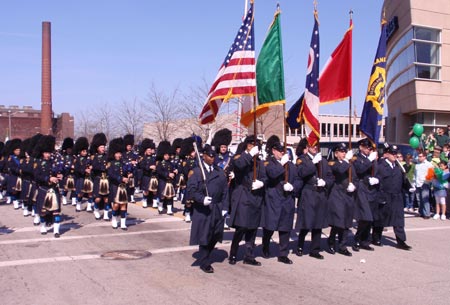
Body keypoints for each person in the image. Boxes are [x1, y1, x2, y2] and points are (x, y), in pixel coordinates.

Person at [188, 144, 228, 273]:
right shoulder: (197, 171)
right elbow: (191, 191)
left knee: (215, 234)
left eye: (213, 156)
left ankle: (207, 253)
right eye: (210, 156)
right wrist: (201, 199)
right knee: (205, 235)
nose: (212, 158)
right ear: (203, 156)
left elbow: (225, 191)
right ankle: (205, 261)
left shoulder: (219, 171)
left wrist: (225, 207)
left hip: (217, 206)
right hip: (203, 208)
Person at [228, 135, 266, 266]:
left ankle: (249, 255)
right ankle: (233, 252)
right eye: (251, 145)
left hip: (256, 197)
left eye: (255, 145)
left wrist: (261, 183)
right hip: (243, 195)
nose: (253, 147)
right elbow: (238, 165)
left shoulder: (259, 162)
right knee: (242, 226)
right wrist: (249, 155)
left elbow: (265, 177)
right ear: (247, 145)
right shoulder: (240, 157)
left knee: (253, 228)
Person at [261, 135, 299, 264]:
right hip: (273, 199)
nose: (282, 153)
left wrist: (293, 187)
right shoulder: (268, 163)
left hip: (287, 200)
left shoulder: (291, 166)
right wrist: (281, 166)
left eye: (283, 151)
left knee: (285, 228)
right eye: (279, 151)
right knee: (270, 227)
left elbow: (299, 180)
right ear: (273, 151)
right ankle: (265, 245)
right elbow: (272, 174)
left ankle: (283, 253)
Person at [294, 139, 334, 259]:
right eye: (312, 145)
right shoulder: (302, 159)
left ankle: (314, 249)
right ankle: (300, 245)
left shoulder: (323, 161)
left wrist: (325, 182)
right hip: (308, 193)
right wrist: (312, 164)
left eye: (316, 145)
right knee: (307, 222)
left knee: (318, 223)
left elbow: (330, 176)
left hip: (320, 194)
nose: (315, 147)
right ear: (307, 146)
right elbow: (301, 173)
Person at [374, 143, 412, 250]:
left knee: (399, 220)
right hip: (385, 196)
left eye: (396, 153)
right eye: (393, 153)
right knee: (381, 218)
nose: (395, 155)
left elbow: (402, 180)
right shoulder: (380, 166)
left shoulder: (398, 167)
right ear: (386, 154)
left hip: (397, 196)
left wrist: (408, 188)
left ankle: (401, 241)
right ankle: (376, 237)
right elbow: (377, 181)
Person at [327, 143, 356, 257]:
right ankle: (331, 241)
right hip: (337, 195)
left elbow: (355, 177)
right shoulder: (333, 163)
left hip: (348, 195)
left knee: (347, 222)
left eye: (345, 151)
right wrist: (347, 161)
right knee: (338, 221)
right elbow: (339, 171)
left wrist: (354, 185)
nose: (344, 153)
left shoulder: (349, 164)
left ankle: (342, 245)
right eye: (341, 151)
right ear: (336, 153)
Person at [352, 138, 378, 252]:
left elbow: (379, 171)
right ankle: (357, 238)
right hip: (361, 188)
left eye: (370, 148)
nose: (369, 150)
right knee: (365, 217)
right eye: (367, 148)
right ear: (361, 147)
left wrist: (377, 179)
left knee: (370, 217)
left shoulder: (373, 159)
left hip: (371, 189)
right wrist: (369, 160)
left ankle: (365, 240)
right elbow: (359, 169)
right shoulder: (356, 158)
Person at [34, 135, 63, 237]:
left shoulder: (54, 162)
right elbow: (36, 176)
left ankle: (56, 231)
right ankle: (43, 226)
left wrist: (60, 175)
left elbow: (60, 171)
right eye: (46, 152)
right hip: (43, 189)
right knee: (43, 211)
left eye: (49, 152)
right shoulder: (38, 163)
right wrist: (48, 179)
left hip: (54, 189)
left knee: (56, 211)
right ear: (42, 153)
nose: (48, 154)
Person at [108, 138, 130, 230]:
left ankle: (123, 223)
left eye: (120, 153)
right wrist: (121, 178)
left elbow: (128, 170)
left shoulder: (124, 162)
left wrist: (130, 173)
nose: (119, 155)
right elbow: (111, 174)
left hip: (124, 187)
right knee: (116, 204)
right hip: (115, 186)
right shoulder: (111, 164)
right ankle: (114, 219)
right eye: (117, 153)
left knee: (123, 204)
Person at [90, 133, 110, 220]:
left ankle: (106, 214)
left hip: (106, 179)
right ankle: (96, 209)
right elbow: (94, 166)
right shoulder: (94, 157)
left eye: (104, 147)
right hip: (98, 179)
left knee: (106, 199)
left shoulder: (108, 156)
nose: (103, 148)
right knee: (98, 198)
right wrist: (104, 167)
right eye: (101, 147)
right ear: (97, 148)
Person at [156, 141, 177, 215]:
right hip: (162, 181)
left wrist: (175, 171)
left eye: (168, 155)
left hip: (170, 182)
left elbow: (173, 169)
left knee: (169, 196)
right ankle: (160, 206)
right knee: (162, 196)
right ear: (163, 155)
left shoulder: (171, 163)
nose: (167, 156)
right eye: (165, 155)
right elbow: (159, 171)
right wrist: (168, 174)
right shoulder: (160, 163)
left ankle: (169, 209)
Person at [73, 137, 93, 212]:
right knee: (80, 193)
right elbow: (76, 168)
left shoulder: (89, 158)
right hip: (81, 177)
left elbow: (93, 164)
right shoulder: (77, 159)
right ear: (80, 151)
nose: (85, 153)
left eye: (86, 151)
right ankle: (78, 204)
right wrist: (84, 170)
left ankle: (89, 206)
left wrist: (91, 167)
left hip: (88, 178)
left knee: (90, 192)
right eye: (83, 151)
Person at [413, 151, 433, 219]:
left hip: (425, 183)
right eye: (419, 156)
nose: (419, 158)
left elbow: (431, 174)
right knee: (419, 199)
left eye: (421, 156)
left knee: (425, 199)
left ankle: (427, 214)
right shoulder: (417, 165)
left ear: (424, 157)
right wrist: (414, 183)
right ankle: (421, 212)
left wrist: (427, 182)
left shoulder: (429, 164)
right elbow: (415, 174)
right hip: (418, 183)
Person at [138, 139, 157, 209]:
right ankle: (144, 201)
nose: (149, 151)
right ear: (145, 151)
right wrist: (149, 167)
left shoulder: (154, 158)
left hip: (153, 176)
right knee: (146, 190)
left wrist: (155, 168)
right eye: (148, 150)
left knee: (154, 190)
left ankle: (154, 202)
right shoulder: (143, 158)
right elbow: (141, 166)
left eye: (150, 150)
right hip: (146, 175)